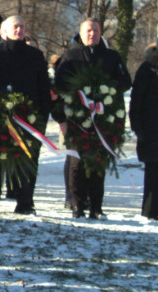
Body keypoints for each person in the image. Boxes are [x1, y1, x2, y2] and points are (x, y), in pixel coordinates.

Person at [53, 20, 131, 219]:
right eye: (88, 30)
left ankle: (96, 206)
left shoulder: (111, 56)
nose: (92, 34)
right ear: (80, 33)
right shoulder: (70, 56)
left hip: (103, 118)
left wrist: (105, 92)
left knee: (98, 162)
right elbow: (60, 84)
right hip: (77, 119)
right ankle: (77, 205)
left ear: (100, 33)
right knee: (77, 163)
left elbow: (124, 81)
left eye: (96, 31)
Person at [0, 15, 51, 215]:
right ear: (5, 31)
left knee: (28, 159)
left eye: (22, 26)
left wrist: (43, 115)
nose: (19, 30)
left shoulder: (35, 55)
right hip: (0, 115)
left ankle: (25, 201)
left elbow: (43, 86)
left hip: (29, 117)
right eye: (15, 27)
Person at [130, 43, 158, 219]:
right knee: (153, 173)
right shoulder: (148, 68)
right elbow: (137, 99)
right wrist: (137, 126)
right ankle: (151, 212)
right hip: (152, 130)